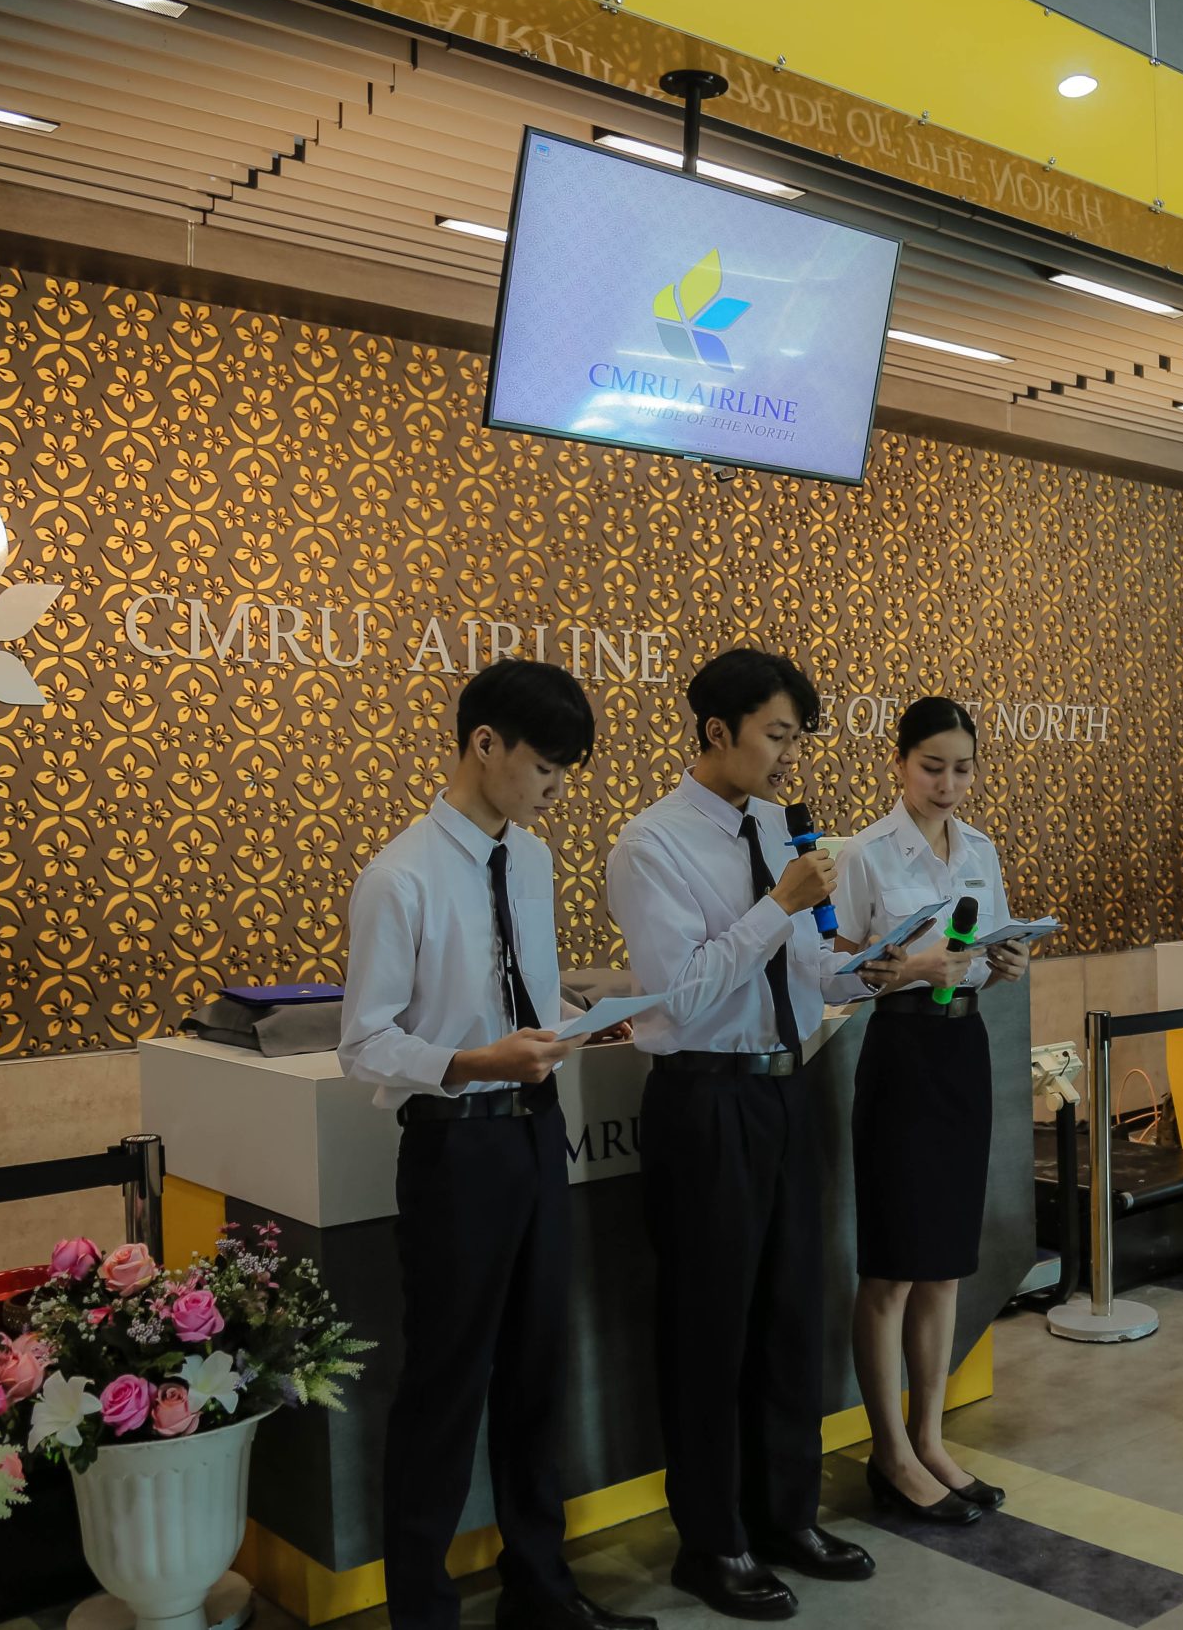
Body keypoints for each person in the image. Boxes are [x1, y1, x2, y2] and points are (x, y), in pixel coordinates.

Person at [338, 661, 654, 1630]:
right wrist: (476, 1061)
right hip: (455, 1152)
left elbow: (524, 993)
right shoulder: (398, 876)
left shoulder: (533, 861)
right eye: (545, 765)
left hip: (535, 1134)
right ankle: (423, 1613)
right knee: (445, 1387)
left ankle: (541, 1590)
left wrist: (571, 1025)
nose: (556, 787)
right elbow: (364, 1043)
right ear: (484, 745)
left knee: (535, 1371)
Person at [605, 649, 875, 1622]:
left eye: (796, 738)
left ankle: (786, 1516)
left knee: (792, 1314)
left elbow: (804, 969)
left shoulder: (776, 830)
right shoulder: (651, 845)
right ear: (717, 731)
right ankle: (711, 1541)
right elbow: (681, 993)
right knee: (709, 1329)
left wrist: (870, 971)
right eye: (776, 735)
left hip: (787, 1090)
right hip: (706, 1100)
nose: (788, 756)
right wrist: (779, 905)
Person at [834, 699, 1034, 1528]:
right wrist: (912, 968)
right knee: (893, 1266)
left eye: (962, 768)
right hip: (902, 1053)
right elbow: (835, 970)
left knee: (945, 1263)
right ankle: (889, 1453)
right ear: (899, 763)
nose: (948, 784)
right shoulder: (866, 854)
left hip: (963, 1051)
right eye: (932, 766)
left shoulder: (980, 849)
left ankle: (929, 1439)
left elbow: (984, 955)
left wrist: (1005, 962)